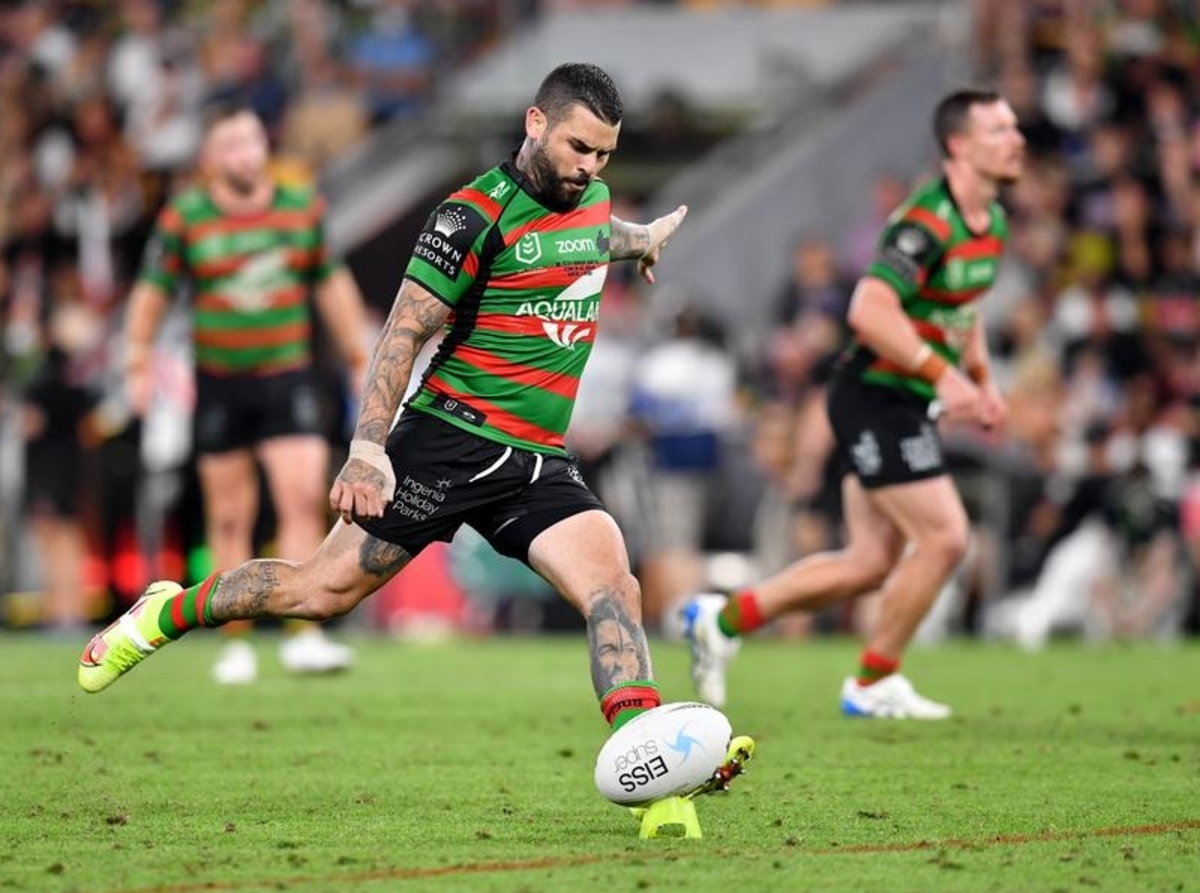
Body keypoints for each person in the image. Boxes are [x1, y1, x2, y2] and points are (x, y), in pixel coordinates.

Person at [78, 64, 690, 745]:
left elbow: (592, 235)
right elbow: (401, 334)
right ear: (535, 122)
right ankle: (167, 613)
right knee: (320, 591)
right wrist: (368, 449)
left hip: (536, 460)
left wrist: (641, 241)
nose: (589, 168)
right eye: (579, 148)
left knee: (615, 588)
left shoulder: (593, 198)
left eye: (604, 154)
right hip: (448, 441)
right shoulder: (469, 217)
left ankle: (648, 757)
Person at [684, 88, 1025, 719]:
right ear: (959, 146)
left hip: (904, 400)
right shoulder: (926, 224)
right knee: (946, 539)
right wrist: (942, 375)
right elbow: (868, 309)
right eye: (1000, 129)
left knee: (869, 564)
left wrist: (980, 378)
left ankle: (722, 620)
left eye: (1014, 127)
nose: (1017, 138)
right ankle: (872, 682)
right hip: (874, 396)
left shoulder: (993, 223)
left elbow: (963, 309)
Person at [123, 104, 371, 684]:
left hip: (287, 376)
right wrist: (137, 359)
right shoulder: (186, 218)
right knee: (230, 515)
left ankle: (302, 633)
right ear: (211, 158)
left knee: (301, 499)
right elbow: (153, 291)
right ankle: (234, 640)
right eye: (231, 145)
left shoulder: (300, 207)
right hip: (220, 383)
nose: (245, 154)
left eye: (252, 141)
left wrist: (360, 356)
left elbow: (332, 283)